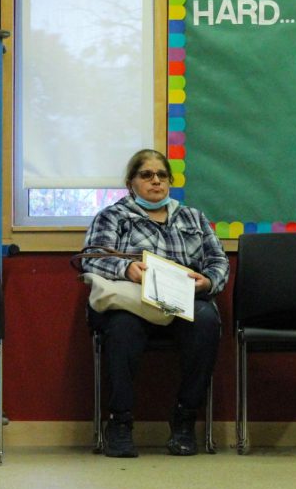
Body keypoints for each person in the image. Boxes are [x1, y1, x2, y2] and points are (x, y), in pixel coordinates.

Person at [80, 148, 229, 458]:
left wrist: (209, 281)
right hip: (131, 302)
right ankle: (119, 423)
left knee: (206, 321)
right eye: (146, 175)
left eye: (162, 175)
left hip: (180, 300)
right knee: (122, 329)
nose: (156, 181)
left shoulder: (192, 217)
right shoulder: (112, 216)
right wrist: (126, 269)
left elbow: (217, 260)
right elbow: (92, 259)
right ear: (131, 182)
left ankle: (184, 419)